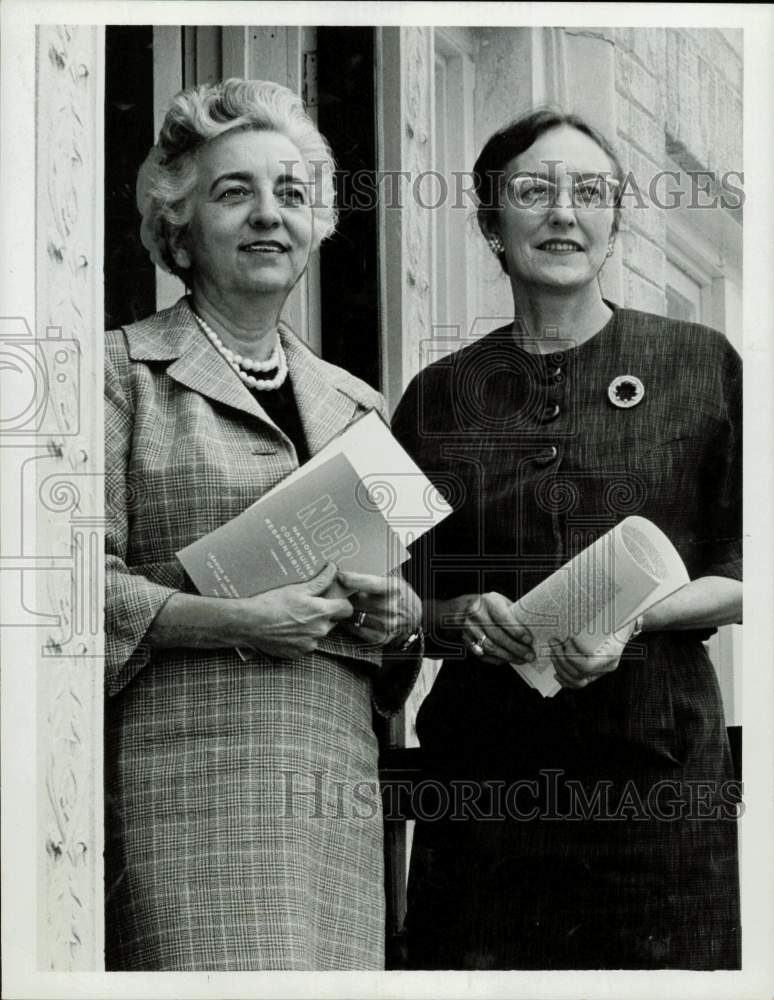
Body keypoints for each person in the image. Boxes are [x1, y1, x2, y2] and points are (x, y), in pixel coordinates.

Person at [391, 109, 742, 970]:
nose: (563, 212)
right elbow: (394, 602)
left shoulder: (701, 364)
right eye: (533, 191)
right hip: (485, 791)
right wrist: (458, 617)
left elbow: (749, 566)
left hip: (657, 784)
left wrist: (638, 620)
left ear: (616, 222)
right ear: (489, 223)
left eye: (590, 192)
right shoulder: (435, 399)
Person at [104, 78, 423, 971]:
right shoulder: (118, 374)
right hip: (185, 781)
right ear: (179, 224)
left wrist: (392, 614)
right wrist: (240, 621)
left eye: (290, 194)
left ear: (317, 226)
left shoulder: (360, 406)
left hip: (330, 790)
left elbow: (396, 650)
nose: (268, 217)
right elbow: (67, 593)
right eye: (233, 191)